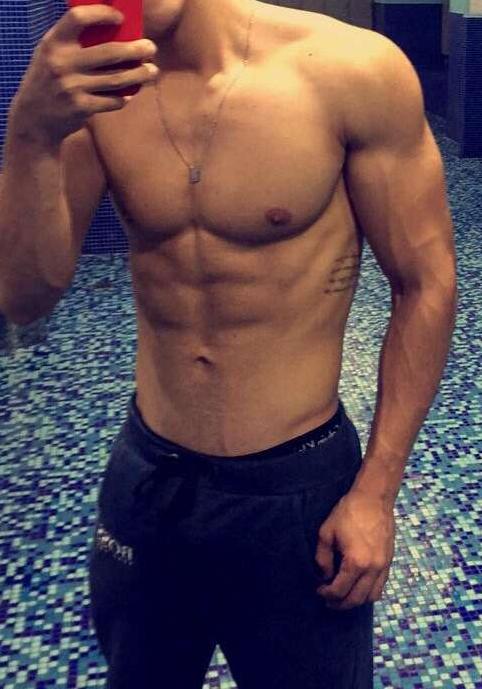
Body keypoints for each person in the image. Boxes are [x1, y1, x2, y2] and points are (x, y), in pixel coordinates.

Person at [0, 1, 458, 687]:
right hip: (150, 480)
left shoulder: (349, 71)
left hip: (297, 490)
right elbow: (25, 297)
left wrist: (376, 493)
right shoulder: (94, 90)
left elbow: (425, 284)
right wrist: (31, 133)